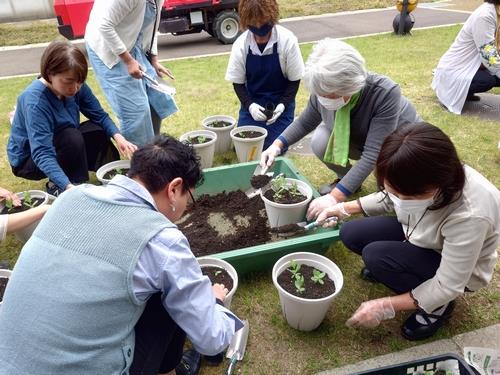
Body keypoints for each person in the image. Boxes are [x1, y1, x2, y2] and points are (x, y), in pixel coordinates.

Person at [0, 135, 242, 375]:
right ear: (174, 188)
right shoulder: (162, 241)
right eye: (188, 199)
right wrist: (216, 303)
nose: (186, 207)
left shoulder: (70, 198)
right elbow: (212, 341)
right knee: (167, 294)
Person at [314, 122, 500, 340]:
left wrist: (386, 305)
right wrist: (343, 208)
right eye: (396, 192)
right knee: (351, 234)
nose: (400, 201)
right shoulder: (421, 177)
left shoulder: (471, 214)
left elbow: (449, 284)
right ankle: (402, 269)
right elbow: (389, 197)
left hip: (458, 269)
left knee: (376, 257)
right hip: (419, 233)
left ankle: (438, 308)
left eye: (409, 197)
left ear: (437, 183)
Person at [259, 38, 421, 219]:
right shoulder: (322, 87)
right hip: (359, 140)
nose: (324, 99)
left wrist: (334, 198)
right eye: (321, 95)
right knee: (320, 140)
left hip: (400, 146)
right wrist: (277, 145)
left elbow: (373, 153)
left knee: (391, 194)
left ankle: (376, 188)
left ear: (349, 86)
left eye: (330, 95)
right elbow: (305, 122)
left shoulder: (384, 93)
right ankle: (349, 181)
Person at [7, 40, 137, 197]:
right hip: (29, 160)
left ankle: (111, 176)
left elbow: (100, 115)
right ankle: (60, 184)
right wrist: (68, 187)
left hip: (60, 140)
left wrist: (119, 138)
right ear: (49, 74)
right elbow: (41, 152)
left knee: (97, 129)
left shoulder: (75, 84)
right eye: (68, 82)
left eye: (80, 82)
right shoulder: (35, 102)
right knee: (71, 136)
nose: (75, 88)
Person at [85, 0, 178, 147]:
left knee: (156, 98)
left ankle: (153, 149)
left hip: (133, 44)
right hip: (108, 49)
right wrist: (128, 61)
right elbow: (103, 25)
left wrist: (153, 59)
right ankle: (141, 161)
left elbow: (152, 25)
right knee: (136, 112)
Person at [225, 0, 304, 149]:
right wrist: (250, 106)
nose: (260, 32)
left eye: (264, 24)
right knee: (245, 146)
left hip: (281, 106)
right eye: (254, 26)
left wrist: (282, 105)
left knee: (274, 148)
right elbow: (238, 83)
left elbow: (294, 80)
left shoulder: (287, 41)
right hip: (252, 104)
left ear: (272, 17)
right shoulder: (240, 45)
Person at [432, 0, 500, 114]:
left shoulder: (496, 11)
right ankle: (451, 93)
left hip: (476, 66)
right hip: (456, 69)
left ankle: (465, 91)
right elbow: (488, 55)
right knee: (487, 80)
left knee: (494, 74)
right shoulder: (485, 15)